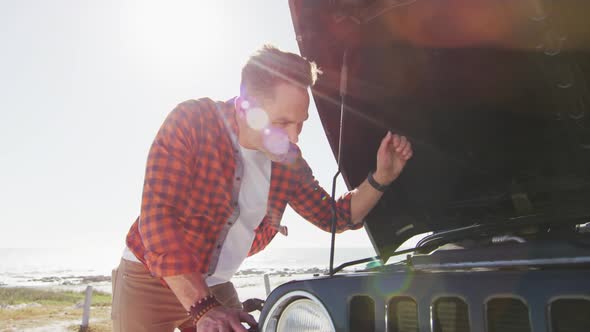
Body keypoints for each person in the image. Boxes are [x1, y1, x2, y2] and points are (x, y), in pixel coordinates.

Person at [111, 45, 413, 332]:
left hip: (214, 285)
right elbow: (158, 217)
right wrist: (203, 308)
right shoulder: (192, 121)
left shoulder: (288, 160)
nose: (293, 138)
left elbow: (333, 216)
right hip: (151, 278)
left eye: (301, 123)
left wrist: (382, 176)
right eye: (282, 123)